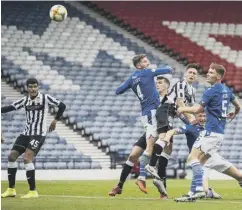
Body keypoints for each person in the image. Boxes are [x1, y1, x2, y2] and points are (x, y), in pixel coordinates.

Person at [174, 63, 242, 202]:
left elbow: (198, 109)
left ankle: (198, 190)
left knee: (192, 158)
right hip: (219, 134)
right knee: (203, 162)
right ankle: (192, 192)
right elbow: (238, 105)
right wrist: (234, 113)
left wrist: (182, 109)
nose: (208, 74)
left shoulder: (211, 91)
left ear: (217, 76)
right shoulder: (227, 90)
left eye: (211, 72)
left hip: (210, 133)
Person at [115, 54, 172, 193]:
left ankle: (119, 186)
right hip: (152, 114)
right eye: (145, 61)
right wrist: (168, 68)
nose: (148, 63)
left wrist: (131, 85)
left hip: (145, 114)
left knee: (136, 153)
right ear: (139, 65)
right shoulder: (146, 72)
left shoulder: (132, 78)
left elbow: (118, 91)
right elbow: (167, 69)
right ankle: (141, 177)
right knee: (152, 147)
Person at [1, 78, 66, 199]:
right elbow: (11, 107)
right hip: (26, 133)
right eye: (31, 86)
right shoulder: (25, 100)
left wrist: (55, 120)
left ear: (38, 87)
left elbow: (62, 105)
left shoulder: (45, 98)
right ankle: (11, 189)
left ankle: (33, 191)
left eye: (35, 86)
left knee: (27, 158)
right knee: (11, 156)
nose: (33, 89)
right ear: (27, 88)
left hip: (38, 134)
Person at [145, 63, 199, 193]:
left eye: (194, 73)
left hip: (172, 114)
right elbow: (180, 104)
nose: (191, 75)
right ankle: (151, 165)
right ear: (185, 74)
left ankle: (161, 183)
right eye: (190, 72)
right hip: (166, 110)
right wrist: (191, 119)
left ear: (196, 77)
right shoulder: (181, 84)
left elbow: (191, 107)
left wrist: (197, 116)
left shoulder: (192, 90)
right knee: (164, 137)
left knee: (168, 149)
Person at [153, 111, 221, 199]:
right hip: (201, 158)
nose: (203, 118)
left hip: (213, 157)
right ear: (195, 117)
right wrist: (168, 136)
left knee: (238, 175)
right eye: (200, 116)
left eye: (204, 116)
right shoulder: (190, 127)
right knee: (198, 172)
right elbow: (174, 131)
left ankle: (201, 192)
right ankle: (197, 192)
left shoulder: (210, 127)